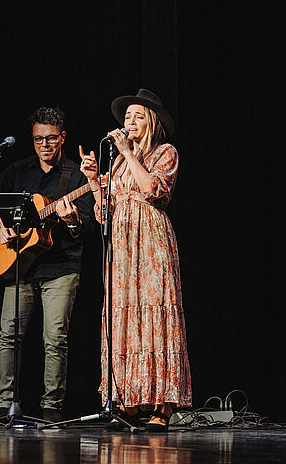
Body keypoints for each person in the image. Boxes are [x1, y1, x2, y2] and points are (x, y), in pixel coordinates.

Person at [79, 88, 191, 432]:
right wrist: (93, 182)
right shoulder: (115, 163)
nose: (130, 122)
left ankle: (163, 405)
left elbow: (154, 190)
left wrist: (128, 153)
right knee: (125, 317)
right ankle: (126, 400)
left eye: (138, 116)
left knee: (155, 312)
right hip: (123, 245)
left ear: (152, 122)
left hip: (151, 242)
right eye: (127, 117)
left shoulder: (165, 152)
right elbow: (104, 213)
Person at [0, 107, 97, 424]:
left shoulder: (77, 177)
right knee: (8, 335)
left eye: (51, 138)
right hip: (19, 266)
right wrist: (0, 223)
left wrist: (71, 221)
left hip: (61, 267)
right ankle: (5, 406)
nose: (44, 144)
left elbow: (87, 225)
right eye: (38, 139)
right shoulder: (18, 171)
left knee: (55, 339)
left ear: (63, 137)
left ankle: (51, 409)